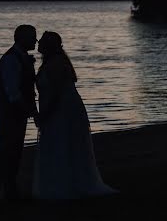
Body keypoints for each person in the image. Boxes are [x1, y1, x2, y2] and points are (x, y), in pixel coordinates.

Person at [33, 31, 117, 200]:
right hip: (62, 108)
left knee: (62, 144)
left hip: (62, 111)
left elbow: (56, 93)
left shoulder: (56, 63)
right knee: (62, 145)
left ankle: (63, 186)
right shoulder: (53, 62)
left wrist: (45, 114)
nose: (38, 42)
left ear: (48, 45)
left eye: (41, 40)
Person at [0, 24, 39, 204]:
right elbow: (12, 92)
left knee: (14, 153)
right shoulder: (11, 60)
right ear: (21, 38)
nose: (35, 41)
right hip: (7, 114)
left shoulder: (21, 58)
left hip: (17, 113)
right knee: (3, 152)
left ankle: (9, 191)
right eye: (32, 37)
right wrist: (31, 111)